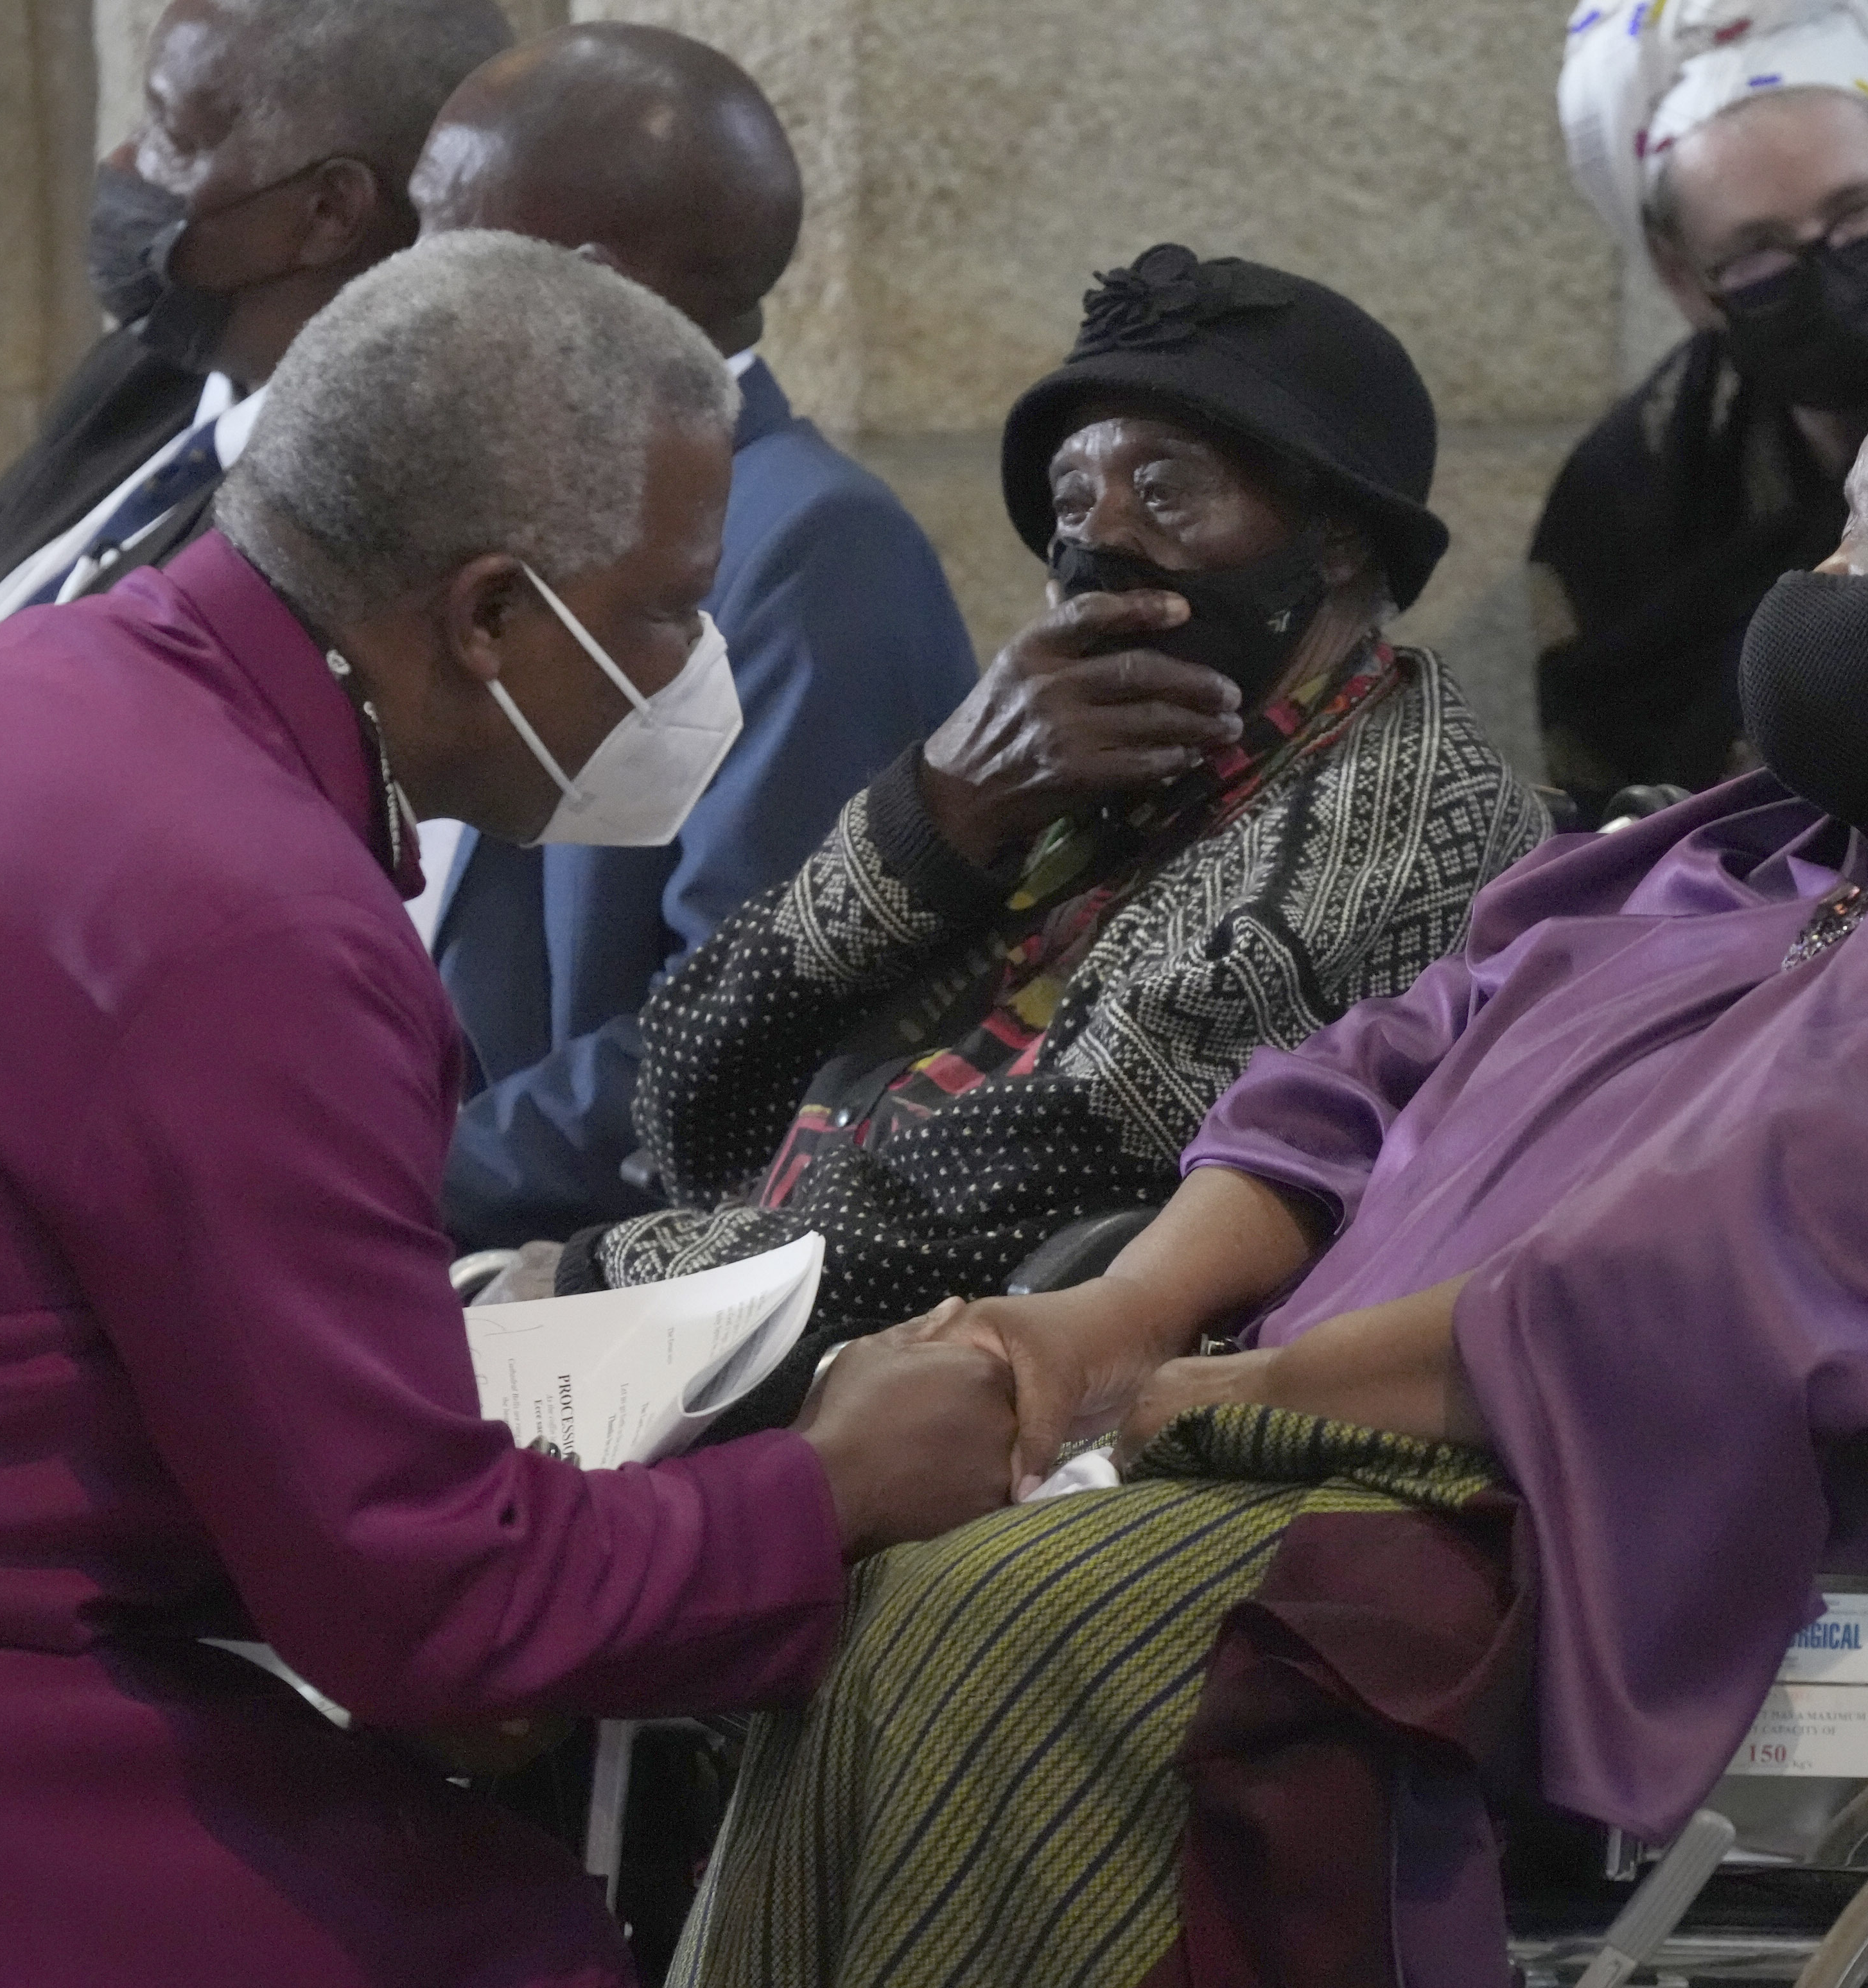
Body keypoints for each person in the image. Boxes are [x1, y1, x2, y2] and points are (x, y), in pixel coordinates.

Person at [665, 265, 1868, 1987]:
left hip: (1702, 1516)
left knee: (1010, 1626)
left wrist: (1234, 1396)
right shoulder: (1785, 840)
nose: (1826, 578)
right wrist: (1107, 1318)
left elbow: (1733, 1266)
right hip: (1413, 1451)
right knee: (886, 1590)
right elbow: (1370, 1070)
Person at [0, 234, 1017, 1988]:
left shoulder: (65, 687)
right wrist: (823, 1494)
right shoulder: (248, 911)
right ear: (494, 614)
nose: (697, 671)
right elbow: (426, 1610)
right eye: (673, 611)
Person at [554, 244, 1549, 1437]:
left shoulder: (1405, 815)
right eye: (1074, 502)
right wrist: (936, 814)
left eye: (1167, 492)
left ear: (1335, 542)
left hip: (993, 1403)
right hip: (749, 1326)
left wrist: (592, 1287)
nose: (1102, 541)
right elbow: (688, 1088)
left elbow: (1001, 1200)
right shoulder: (1071, 762)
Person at [408, 25, 981, 1254]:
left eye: (433, 235)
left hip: (550, 1253)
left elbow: (736, 1033)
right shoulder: (517, 497)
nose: (393, 290)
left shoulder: (812, 551)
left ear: (579, 289)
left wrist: (361, 1184)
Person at [0, 0, 513, 797]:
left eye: (169, 134)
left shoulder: (336, 524)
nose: (124, 162)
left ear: (329, 211)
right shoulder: (146, 374)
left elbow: (45, 815)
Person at [1534, 0, 1868, 820]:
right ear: (1684, 280)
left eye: (1856, 215)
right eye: (1757, 256)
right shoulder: (1630, 496)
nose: (1828, 271)